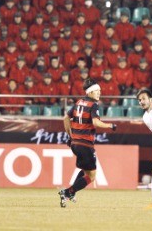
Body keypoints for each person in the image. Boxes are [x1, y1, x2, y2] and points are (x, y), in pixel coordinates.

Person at [58, 78, 117, 208]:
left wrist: (70, 135)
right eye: (96, 91)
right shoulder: (93, 105)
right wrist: (110, 125)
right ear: (90, 92)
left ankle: (71, 192)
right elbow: (96, 122)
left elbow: (66, 117)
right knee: (91, 176)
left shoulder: (79, 102)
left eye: (100, 91)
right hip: (85, 144)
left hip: (75, 144)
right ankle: (67, 192)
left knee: (85, 171)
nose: (99, 93)